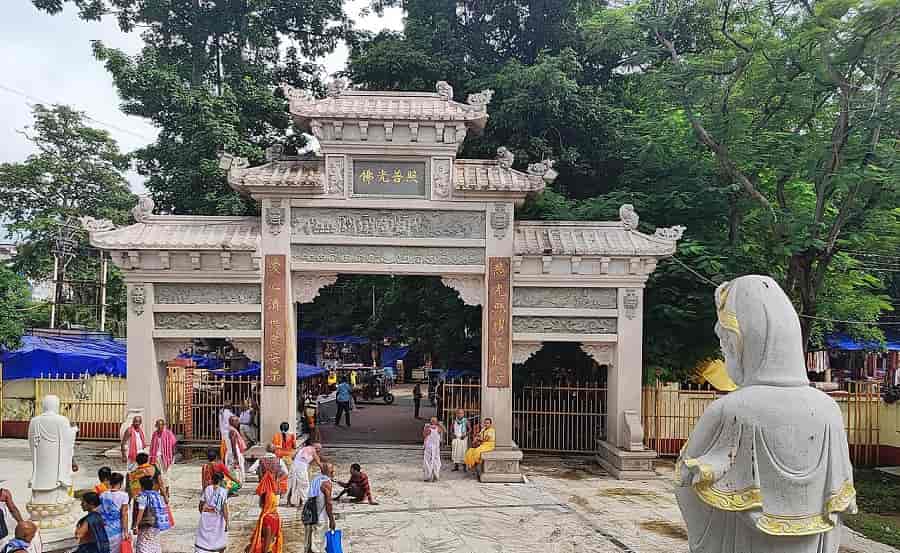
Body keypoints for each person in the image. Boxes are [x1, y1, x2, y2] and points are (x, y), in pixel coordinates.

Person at [132, 476, 170, 553]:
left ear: (141, 486)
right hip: (157, 524)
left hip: (146, 524)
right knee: (154, 544)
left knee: (143, 545)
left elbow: (141, 511)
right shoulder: (157, 495)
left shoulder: (142, 496)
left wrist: (136, 525)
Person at [303, 464, 335, 553]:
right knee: (318, 546)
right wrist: (332, 519)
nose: (333, 473)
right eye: (332, 471)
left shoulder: (315, 480)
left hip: (308, 515)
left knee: (308, 543)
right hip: (320, 517)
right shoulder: (326, 483)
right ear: (330, 472)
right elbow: (328, 503)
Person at [195, 472, 229, 553]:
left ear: (212, 480)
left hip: (206, 516)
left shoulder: (207, 489)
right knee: (219, 536)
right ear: (221, 481)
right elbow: (224, 508)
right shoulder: (223, 491)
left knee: (205, 535)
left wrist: (203, 514)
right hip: (218, 517)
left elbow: (201, 504)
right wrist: (227, 521)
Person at [99, 473, 129, 553]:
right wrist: (125, 531)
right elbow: (124, 514)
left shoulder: (102, 495)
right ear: (120, 483)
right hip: (116, 529)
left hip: (104, 528)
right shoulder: (124, 496)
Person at [287, 441, 322, 507]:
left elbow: (293, 457)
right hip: (301, 468)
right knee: (304, 485)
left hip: (294, 465)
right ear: (316, 448)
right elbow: (319, 462)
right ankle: (303, 502)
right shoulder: (313, 450)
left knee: (293, 484)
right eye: (319, 449)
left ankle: (289, 502)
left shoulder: (303, 448)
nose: (319, 451)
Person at [148, 419, 177, 498]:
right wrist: (151, 456)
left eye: (161, 425)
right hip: (156, 457)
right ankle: (159, 490)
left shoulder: (168, 433)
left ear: (164, 425)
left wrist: (172, 455)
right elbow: (152, 445)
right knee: (158, 474)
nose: (159, 427)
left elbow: (174, 443)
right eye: (158, 425)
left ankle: (166, 490)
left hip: (166, 457)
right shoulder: (155, 434)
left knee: (166, 475)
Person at [221, 416, 247, 483]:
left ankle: (231, 488)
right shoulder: (232, 431)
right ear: (232, 422)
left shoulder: (227, 430)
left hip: (229, 453)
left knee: (230, 472)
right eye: (236, 421)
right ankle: (234, 487)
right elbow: (233, 445)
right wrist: (236, 458)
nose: (238, 422)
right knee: (235, 472)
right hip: (234, 453)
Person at [422, 417, 444, 482]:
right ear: (430, 421)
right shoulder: (427, 428)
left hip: (436, 447)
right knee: (427, 461)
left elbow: (444, 431)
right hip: (428, 447)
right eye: (432, 421)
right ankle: (428, 476)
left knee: (436, 461)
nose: (433, 422)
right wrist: (426, 429)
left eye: (435, 421)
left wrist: (441, 425)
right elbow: (424, 435)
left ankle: (436, 475)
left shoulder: (438, 428)